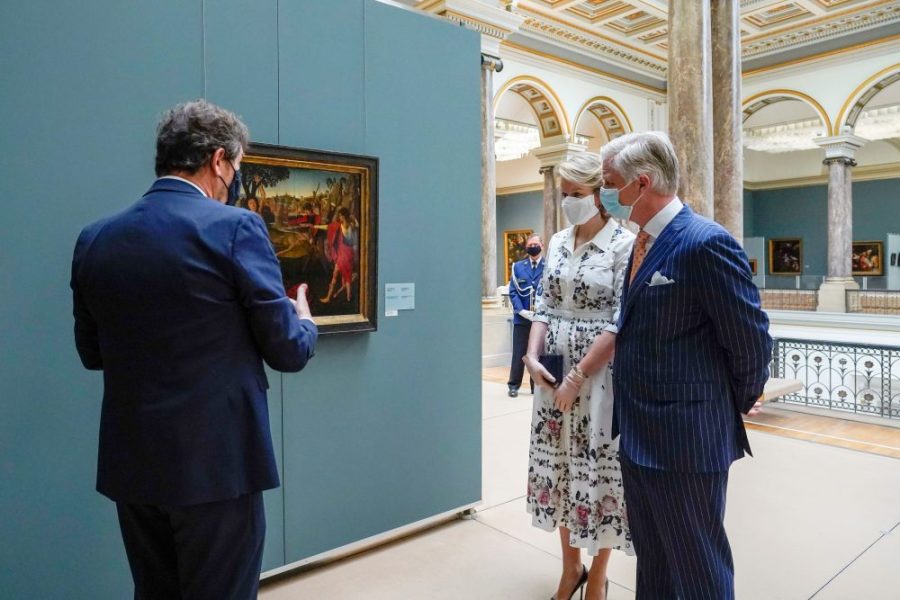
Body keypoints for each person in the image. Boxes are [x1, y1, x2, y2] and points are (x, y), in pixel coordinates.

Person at [70, 99, 318, 600]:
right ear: (219, 160)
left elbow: (91, 352)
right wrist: (305, 321)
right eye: (238, 168)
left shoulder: (94, 239)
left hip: (134, 464)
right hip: (219, 466)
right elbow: (288, 350)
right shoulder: (235, 229)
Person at [599, 132, 772, 600]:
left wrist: (724, 406)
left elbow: (751, 341)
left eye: (609, 183)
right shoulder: (642, 243)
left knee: (697, 567)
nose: (604, 193)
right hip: (639, 435)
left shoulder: (703, 243)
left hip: (687, 440)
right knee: (654, 563)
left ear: (642, 182)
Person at [523, 152, 635, 600]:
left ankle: (600, 574)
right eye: (563, 194)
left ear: (599, 196)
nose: (567, 201)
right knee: (559, 467)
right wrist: (531, 358)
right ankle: (571, 569)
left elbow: (618, 319)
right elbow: (544, 304)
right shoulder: (555, 242)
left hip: (599, 377)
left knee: (599, 469)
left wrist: (578, 377)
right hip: (551, 371)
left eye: (576, 194)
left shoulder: (623, 245)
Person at [506, 233, 544, 398]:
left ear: (542, 246)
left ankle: (536, 386)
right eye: (530, 244)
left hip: (541, 319)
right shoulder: (517, 267)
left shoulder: (549, 266)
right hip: (522, 318)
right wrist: (521, 310)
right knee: (519, 353)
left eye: (536, 244)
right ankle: (514, 385)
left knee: (539, 353)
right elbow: (513, 292)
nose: (533, 247)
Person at [320, 207, 358, 304]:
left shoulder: (338, 226)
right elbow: (354, 239)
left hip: (342, 255)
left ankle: (329, 297)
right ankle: (348, 299)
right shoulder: (352, 226)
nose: (339, 217)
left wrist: (315, 227)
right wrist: (353, 219)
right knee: (347, 278)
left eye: (340, 215)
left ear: (343, 216)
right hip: (349, 254)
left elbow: (327, 227)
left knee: (335, 276)